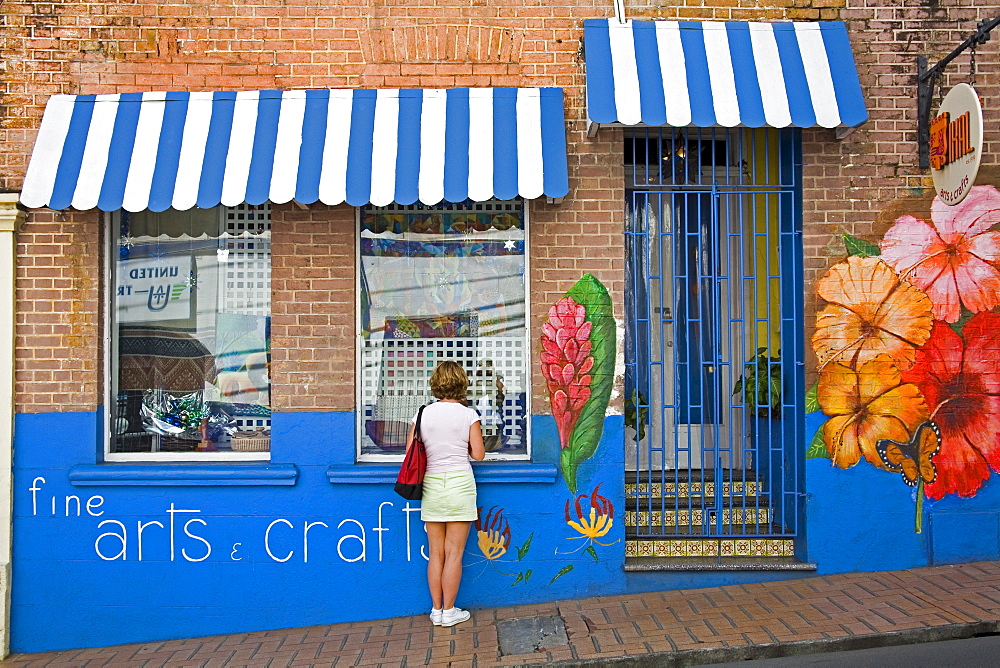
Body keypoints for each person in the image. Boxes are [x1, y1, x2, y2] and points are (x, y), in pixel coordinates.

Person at [407, 361, 486, 627]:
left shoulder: (422, 414)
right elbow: (478, 454)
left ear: (436, 383)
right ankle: (450, 611)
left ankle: (436, 609)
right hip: (460, 485)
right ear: (462, 383)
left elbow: (411, 452)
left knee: (436, 553)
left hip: (431, 486)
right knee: (455, 553)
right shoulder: (468, 415)